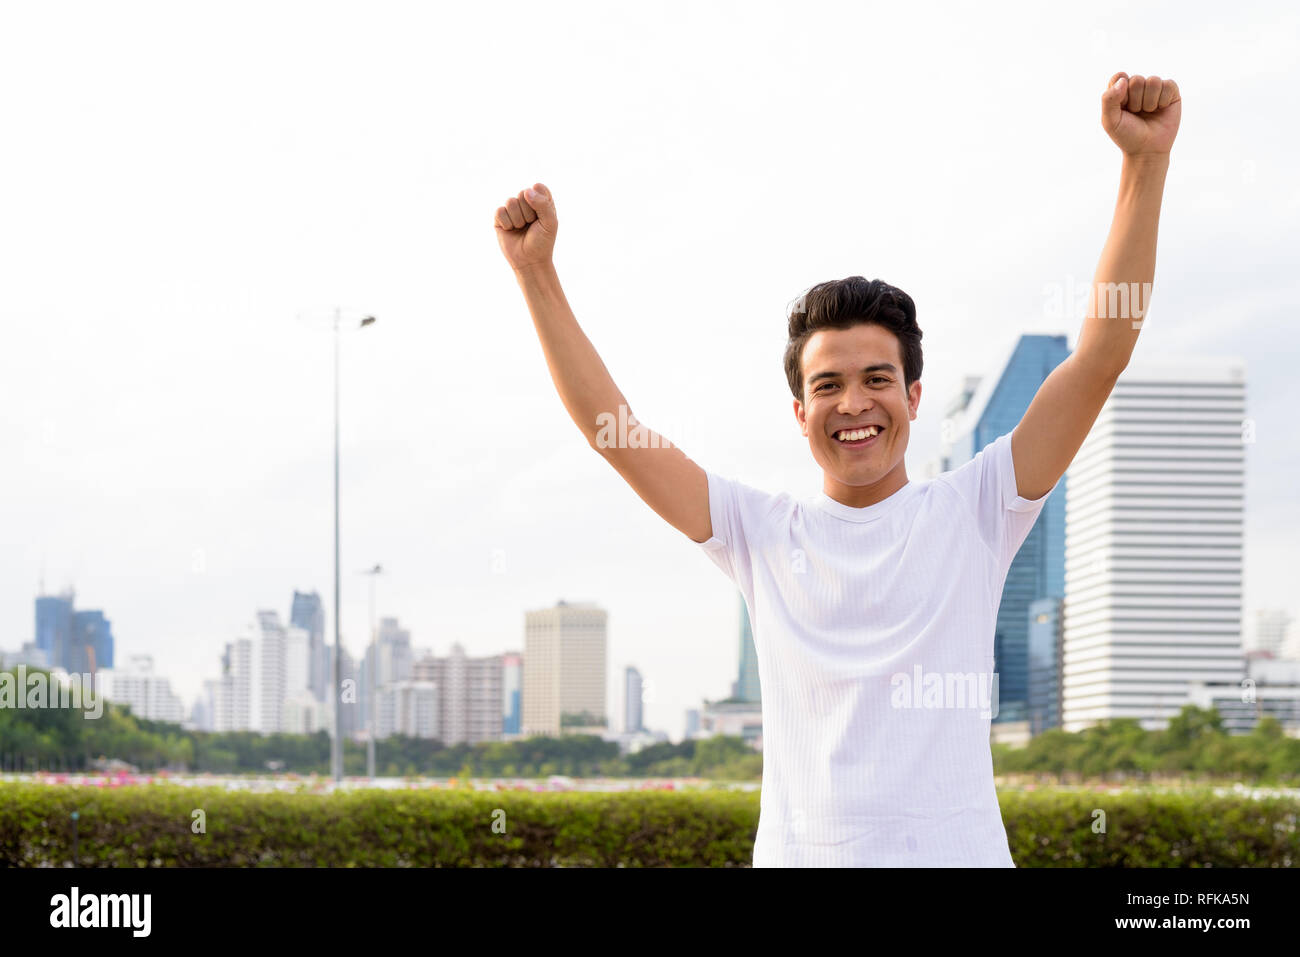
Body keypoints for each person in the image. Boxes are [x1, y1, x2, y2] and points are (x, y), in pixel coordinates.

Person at [493, 71, 1180, 866]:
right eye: (828, 384)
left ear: (915, 396)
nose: (854, 403)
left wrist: (1143, 166)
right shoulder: (756, 531)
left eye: (876, 379)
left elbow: (1098, 359)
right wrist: (536, 274)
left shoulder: (979, 508)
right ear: (800, 411)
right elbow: (615, 432)